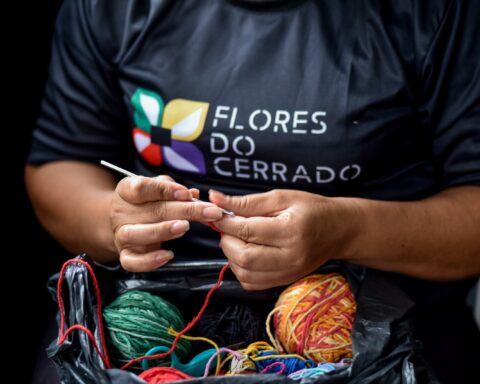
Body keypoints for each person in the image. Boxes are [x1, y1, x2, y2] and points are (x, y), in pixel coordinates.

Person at [26, 0, 480, 382]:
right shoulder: (116, 7)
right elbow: (60, 164)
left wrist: (346, 230)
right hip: (158, 310)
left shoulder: (432, 12)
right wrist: (112, 220)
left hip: (375, 313)